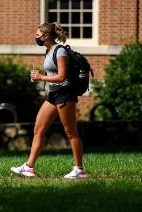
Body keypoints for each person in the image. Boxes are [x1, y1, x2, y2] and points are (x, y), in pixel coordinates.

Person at [10, 22, 86, 179]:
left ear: (46, 36)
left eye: (38, 35)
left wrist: (40, 77)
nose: (36, 38)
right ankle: (29, 167)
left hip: (65, 94)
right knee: (38, 129)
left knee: (71, 132)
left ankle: (79, 169)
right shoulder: (48, 51)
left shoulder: (60, 51)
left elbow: (61, 77)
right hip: (52, 95)